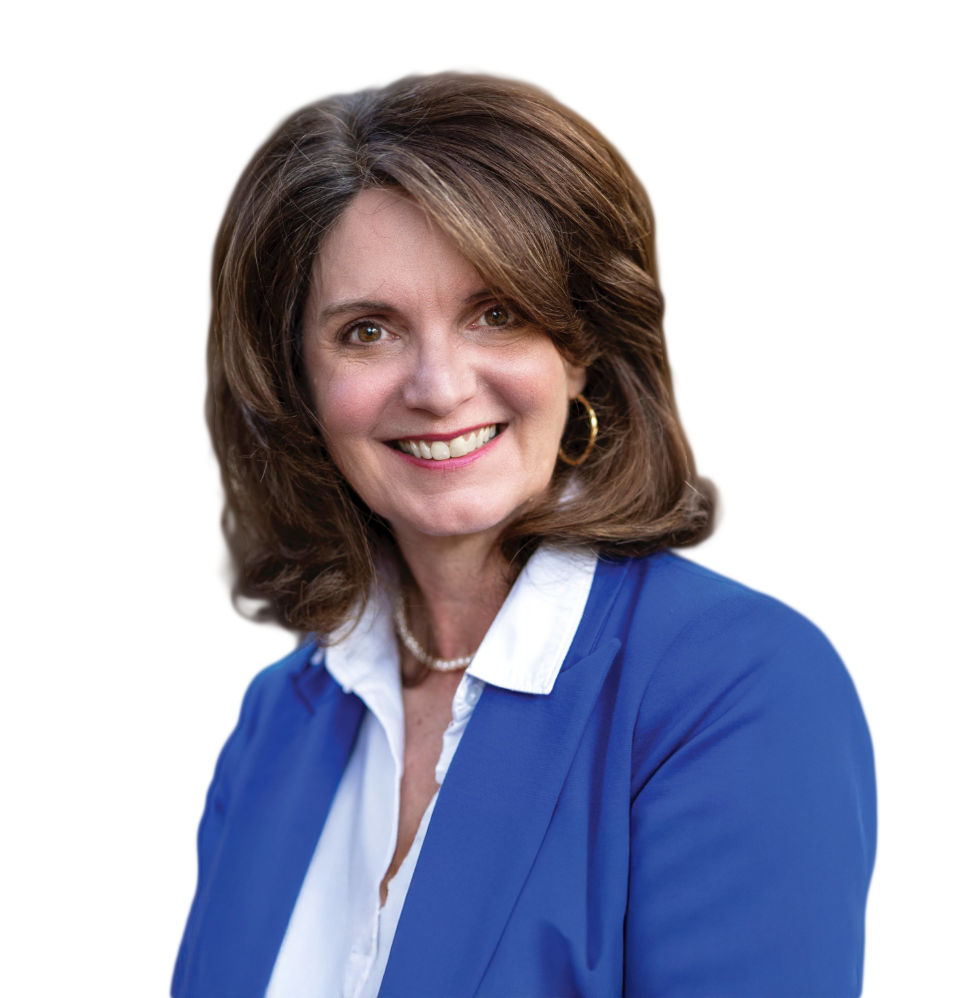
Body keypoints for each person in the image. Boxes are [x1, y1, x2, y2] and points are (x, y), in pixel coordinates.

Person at [168, 67, 873, 997]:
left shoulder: (730, 681)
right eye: (368, 331)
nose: (440, 385)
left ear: (579, 349)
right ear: (301, 384)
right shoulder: (272, 721)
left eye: (497, 313)